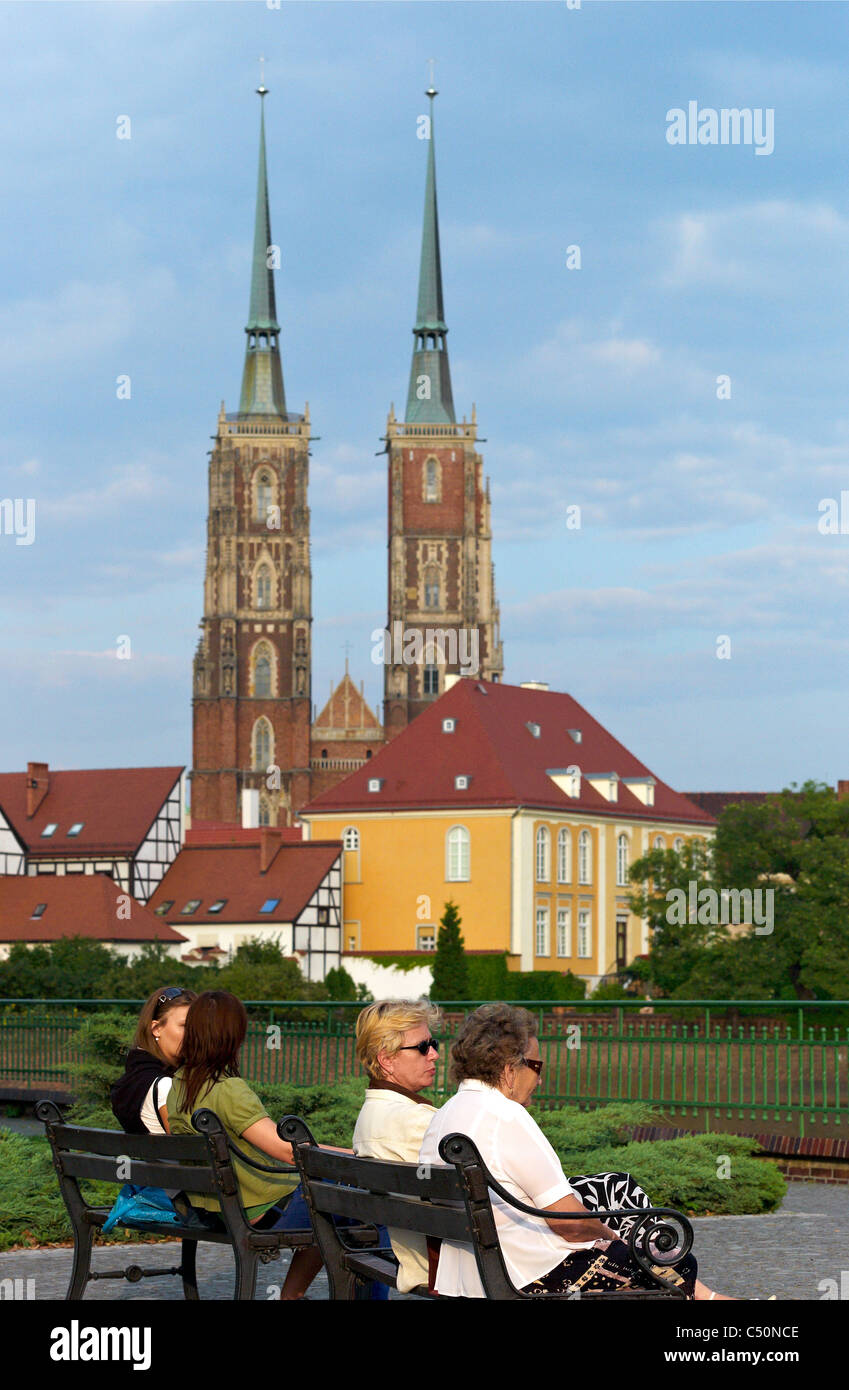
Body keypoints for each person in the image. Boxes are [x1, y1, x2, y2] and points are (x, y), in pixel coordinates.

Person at [419, 1003, 732, 1300]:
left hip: (469, 1275)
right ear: (509, 1069)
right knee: (674, 1263)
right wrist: (611, 1237)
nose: (540, 1079)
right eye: (537, 1066)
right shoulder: (505, 1116)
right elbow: (569, 1224)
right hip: (531, 1275)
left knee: (648, 1253)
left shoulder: (444, 1115)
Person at [166, 989, 324, 1299]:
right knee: (339, 1201)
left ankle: (290, 1296)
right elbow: (285, 1150)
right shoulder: (228, 1089)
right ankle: (291, 1296)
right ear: (233, 1036)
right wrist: (353, 1156)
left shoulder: (178, 1084)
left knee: (333, 1200)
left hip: (207, 1207)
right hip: (252, 1209)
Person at [352, 999, 441, 1293]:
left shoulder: (370, 1114)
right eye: (422, 1047)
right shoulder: (418, 1120)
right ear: (386, 1060)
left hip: (419, 1259)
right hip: (453, 1263)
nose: (435, 1055)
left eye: (434, 1043)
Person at [111, 985, 197, 1135]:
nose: (194, 1034)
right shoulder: (166, 1086)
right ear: (156, 1028)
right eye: (184, 1025)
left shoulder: (134, 1077)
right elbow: (188, 1152)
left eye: (197, 1026)